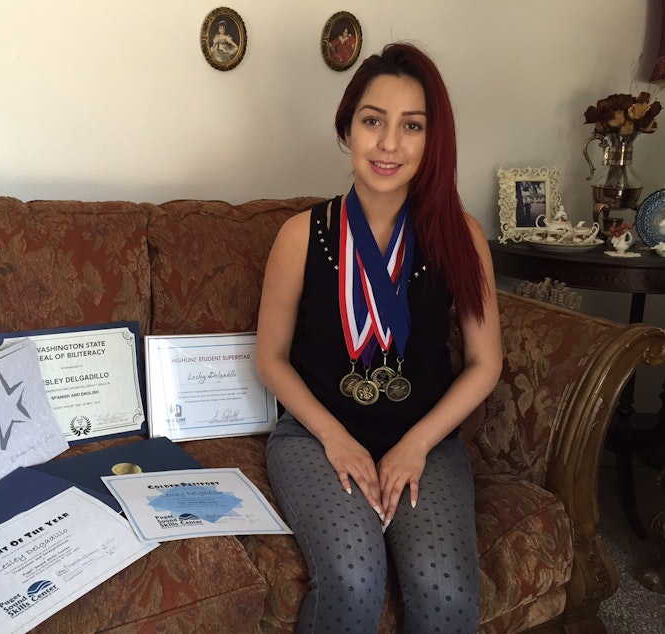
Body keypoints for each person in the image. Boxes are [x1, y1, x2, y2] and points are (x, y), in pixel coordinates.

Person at [255, 42, 502, 633]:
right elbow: (270, 357)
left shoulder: (459, 236)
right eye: (373, 121)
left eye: (411, 126)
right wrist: (335, 438)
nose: (389, 144)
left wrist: (416, 444)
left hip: (427, 440)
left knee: (444, 586)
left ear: (432, 139)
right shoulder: (299, 235)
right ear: (347, 130)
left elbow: (484, 362)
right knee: (353, 575)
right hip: (315, 439)